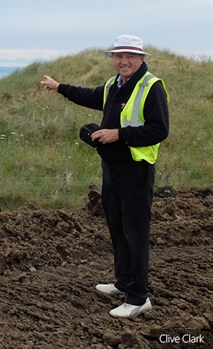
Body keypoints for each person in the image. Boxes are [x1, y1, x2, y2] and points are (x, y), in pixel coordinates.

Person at [40, 35, 170, 318]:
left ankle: (138, 297)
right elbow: (89, 95)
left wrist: (118, 134)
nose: (123, 61)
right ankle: (124, 282)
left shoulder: (151, 86)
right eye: (117, 56)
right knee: (118, 228)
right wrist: (59, 87)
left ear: (141, 58)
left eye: (129, 56)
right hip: (111, 168)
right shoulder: (115, 84)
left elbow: (160, 130)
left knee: (135, 233)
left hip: (136, 170)